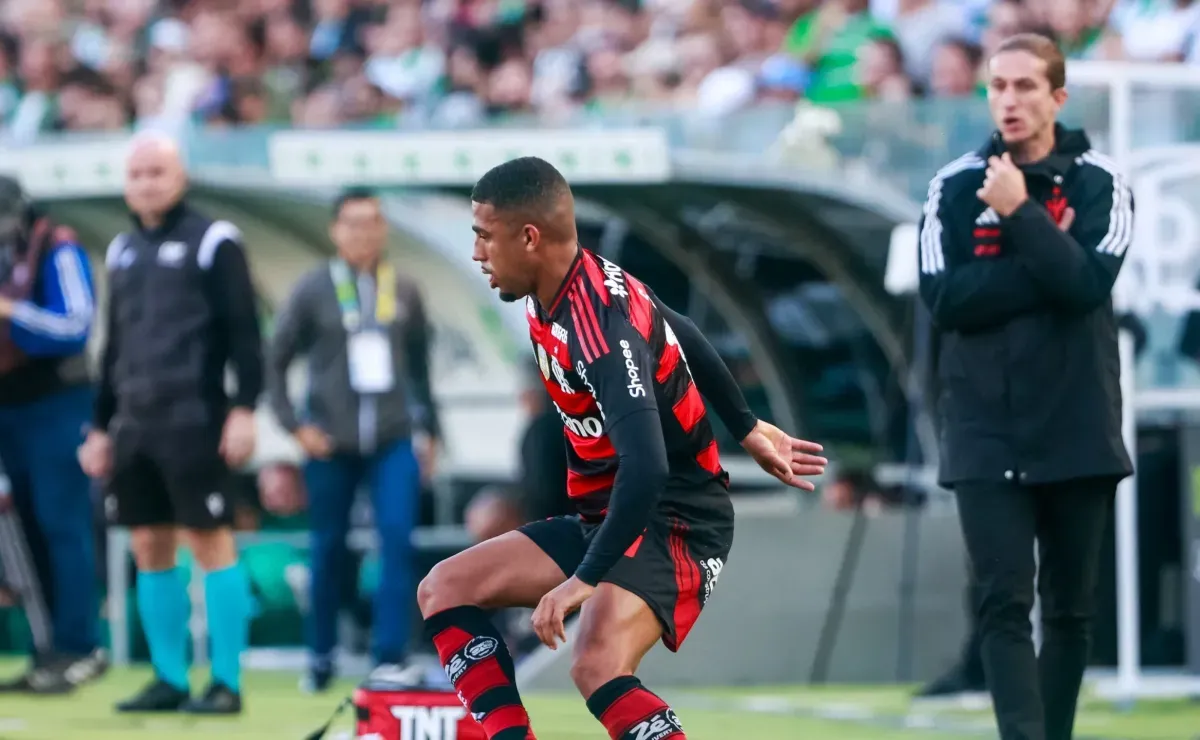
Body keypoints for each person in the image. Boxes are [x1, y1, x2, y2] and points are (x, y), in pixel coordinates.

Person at [416, 156, 827, 740]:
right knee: (444, 588)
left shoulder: (600, 330)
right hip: (611, 515)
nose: (477, 253)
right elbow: (682, 328)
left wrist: (584, 578)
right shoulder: (559, 283)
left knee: (596, 665)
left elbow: (648, 465)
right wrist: (747, 426)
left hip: (674, 520)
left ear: (529, 238)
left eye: (484, 236)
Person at [917, 33, 1134, 740]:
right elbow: (945, 300)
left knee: (1071, 609)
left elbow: (1087, 285)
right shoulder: (954, 185)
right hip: (984, 427)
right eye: (998, 86)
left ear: (1057, 97)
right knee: (1001, 602)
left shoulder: (1101, 182)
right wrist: (1045, 260)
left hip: (1078, 423)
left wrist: (1020, 214)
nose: (1008, 100)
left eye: (1025, 86)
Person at [77, 133, 263, 715]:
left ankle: (226, 682)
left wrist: (244, 409)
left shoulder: (215, 240)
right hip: (134, 423)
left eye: (157, 172)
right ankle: (169, 678)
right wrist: (100, 426)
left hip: (195, 418)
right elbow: (113, 347)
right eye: (137, 174)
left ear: (181, 177)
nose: (146, 183)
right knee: (147, 543)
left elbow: (245, 333)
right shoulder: (122, 249)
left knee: (210, 540)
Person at [267, 186, 440, 693]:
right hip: (330, 443)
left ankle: (390, 657)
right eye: (353, 223)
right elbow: (275, 360)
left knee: (397, 540)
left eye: (373, 222)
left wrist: (430, 432)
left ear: (384, 229)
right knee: (328, 548)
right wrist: (295, 426)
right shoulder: (313, 289)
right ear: (335, 230)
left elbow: (421, 370)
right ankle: (320, 655)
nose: (364, 233)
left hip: (392, 439)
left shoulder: (404, 288)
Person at [0, 176, 106, 693]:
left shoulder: (57, 248)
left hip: (57, 400)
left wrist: (13, 313)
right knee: (24, 529)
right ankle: (45, 648)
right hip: (10, 403)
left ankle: (80, 645)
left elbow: (75, 325)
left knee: (62, 520)